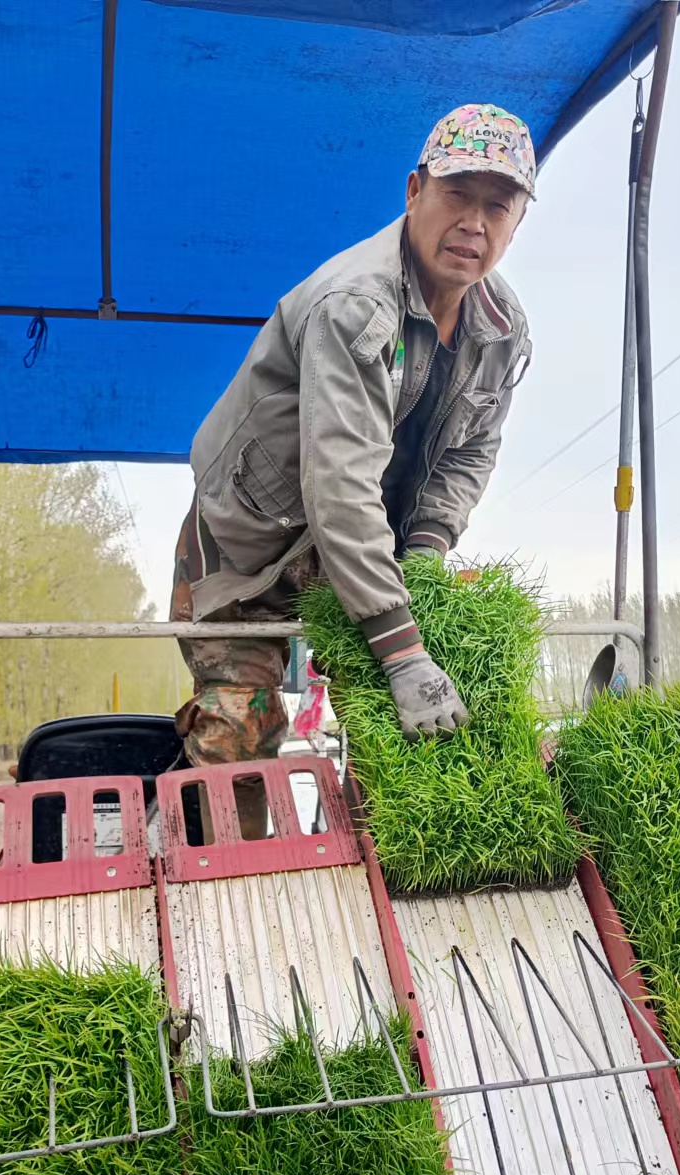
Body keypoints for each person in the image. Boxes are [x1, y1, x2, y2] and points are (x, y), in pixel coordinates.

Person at [171, 103, 535, 833]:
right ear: (413, 192)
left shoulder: (501, 331)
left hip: (365, 558)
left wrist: (426, 552)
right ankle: (209, 892)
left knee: (396, 733)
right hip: (251, 548)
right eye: (457, 194)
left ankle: (368, 894)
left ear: (518, 220)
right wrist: (402, 650)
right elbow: (339, 482)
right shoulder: (354, 305)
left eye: (498, 206)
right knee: (240, 731)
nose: (474, 223)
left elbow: (469, 453)